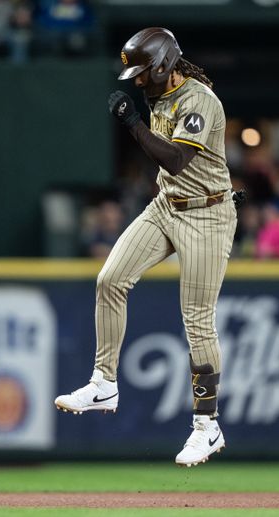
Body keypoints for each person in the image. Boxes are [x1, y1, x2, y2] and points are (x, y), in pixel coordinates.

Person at [54, 27, 241, 467]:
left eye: (143, 73)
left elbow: (176, 159)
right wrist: (137, 118)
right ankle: (104, 382)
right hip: (167, 204)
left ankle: (206, 426)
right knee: (111, 278)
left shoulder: (200, 101)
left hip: (207, 213)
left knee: (197, 320)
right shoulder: (158, 93)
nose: (136, 81)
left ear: (162, 66)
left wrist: (132, 123)